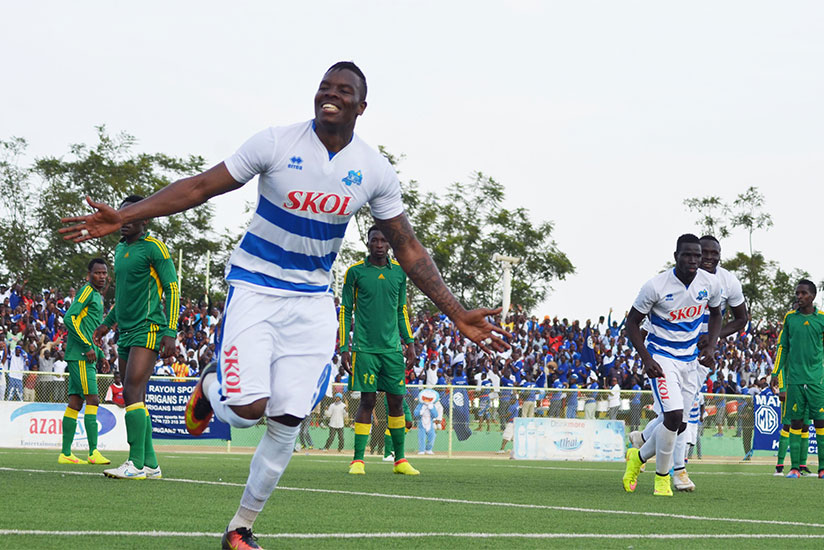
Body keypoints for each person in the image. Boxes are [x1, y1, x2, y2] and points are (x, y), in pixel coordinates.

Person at [61, 62, 508, 549]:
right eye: (324, 86)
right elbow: (199, 186)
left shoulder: (374, 170)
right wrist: (126, 214)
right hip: (254, 288)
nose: (330, 94)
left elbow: (408, 247)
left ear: (361, 106)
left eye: (343, 90)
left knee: (289, 420)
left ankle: (240, 527)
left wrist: (455, 311)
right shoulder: (275, 143)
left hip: (312, 301)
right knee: (247, 410)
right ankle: (210, 386)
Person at [622, 234, 722, 497]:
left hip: (689, 360)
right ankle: (662, 479)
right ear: (676, 256)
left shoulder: (709, 283)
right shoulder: (655, 286)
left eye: (697, 255)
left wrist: (711, 346)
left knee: (680, 425)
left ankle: (637, 457)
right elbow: (632, 323)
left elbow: (716, 314)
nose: (693, 260)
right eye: (687, 255)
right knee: (674, 416)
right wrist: (646, 358)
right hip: (662, 357)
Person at [90, 195, 179, 480]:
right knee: (136, 395)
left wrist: (171, 331)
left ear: (145, 218)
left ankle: (135, 463)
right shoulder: (120, 250)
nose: (124, 222)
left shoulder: (154, 248)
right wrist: (107, 324)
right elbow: (123, 295)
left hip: (149, 327)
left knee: (131, 391)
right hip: (126, 332)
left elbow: (172, 288)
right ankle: (150, 463)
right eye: (121, 216)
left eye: (131, 216)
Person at [339, 225, 418, 475]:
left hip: (392, 350)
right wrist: (344, 347)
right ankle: (358, 461)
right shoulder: (355, 272)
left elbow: (401, 310)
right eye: (375, 240)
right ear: (368, 243)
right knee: (367, 400)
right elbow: (345, 310)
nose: (380, 245)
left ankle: (400, 461)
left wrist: (410, 342)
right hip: (364, 349)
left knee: (396, 402)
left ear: (390, 244)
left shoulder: (399, 274)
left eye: (384, 240)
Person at [58, 258, 112, 465]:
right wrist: (87, 347)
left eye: (104, 273)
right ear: (89, 275)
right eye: (97, 273)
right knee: (93, 399)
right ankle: (93, 452)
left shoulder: (97, 296)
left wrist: (100, 354)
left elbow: (90, 329)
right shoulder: (87, 291)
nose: (101, 276)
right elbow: (69, 318)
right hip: (81, 355)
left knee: (75, 402)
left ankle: (66, 453)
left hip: (84, 354)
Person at [772, 280, 824, 479]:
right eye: (797, 293)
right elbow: (783, 347)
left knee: (820, 423)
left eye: (803, 293)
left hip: (817, 380)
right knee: (795, 422)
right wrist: (776, 373)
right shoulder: (790, 318)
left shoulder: (822, 319)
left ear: (813, 296)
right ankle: (794, 468)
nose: (799, 296)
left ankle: (822, 469)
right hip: (794, 380)